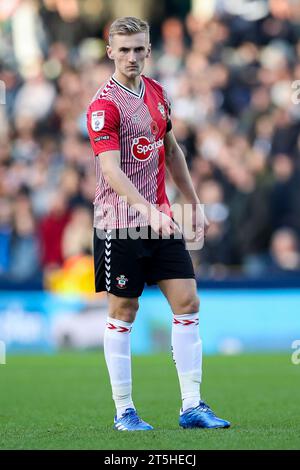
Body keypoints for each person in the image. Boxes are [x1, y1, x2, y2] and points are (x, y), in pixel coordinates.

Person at [87, 16, 230, 431]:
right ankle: (125, 411)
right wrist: (146, 210)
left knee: (187, 302)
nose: (132, 57)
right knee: (124, 310)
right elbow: (111, 171)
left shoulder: (159, 94)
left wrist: (192, 201)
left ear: (149, 50)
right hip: (119, 223)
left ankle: (192, 406)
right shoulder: (103, 105)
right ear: (110, 50)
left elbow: (171, 150)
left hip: (160, 219)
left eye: (139, 49)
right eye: (124, 49)